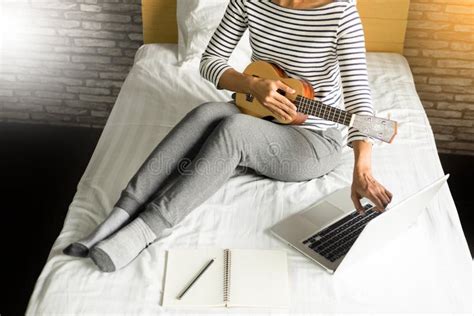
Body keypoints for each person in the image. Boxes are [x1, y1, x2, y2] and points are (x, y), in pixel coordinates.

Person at [63, 0, 393, 272]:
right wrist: (251, 85)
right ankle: (114, 219)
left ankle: (144, 229)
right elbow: (210, 61)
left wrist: (362, 169)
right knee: (205, 113)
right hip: (259, 110)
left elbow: (359, 97)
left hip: (314, 139)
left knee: (233, 131)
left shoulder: (340, 13)